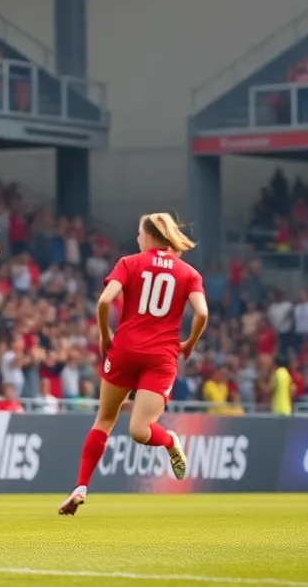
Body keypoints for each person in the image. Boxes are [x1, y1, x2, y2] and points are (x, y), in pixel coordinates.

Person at [58, 213, 208, 516]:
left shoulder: (129, 263)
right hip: (161, 358)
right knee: (140, 431)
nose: (138, 238)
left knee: (104, 420)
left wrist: (104, 335)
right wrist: (190, 343)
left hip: (124, 350)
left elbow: (103, 302)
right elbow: (202, 313)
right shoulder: (188, 272)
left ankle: (81, 485)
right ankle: (168, 442)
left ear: (149, 235)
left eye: (140, 233)